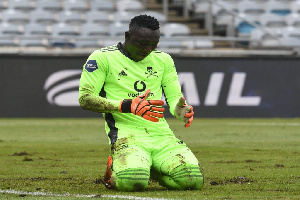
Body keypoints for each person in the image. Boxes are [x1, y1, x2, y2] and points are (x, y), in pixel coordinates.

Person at [78, 15, 203, 192]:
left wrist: (182, 110)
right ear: (127, 36)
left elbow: (175, 98)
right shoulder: (102, 58)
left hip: (162, 135)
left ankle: (149, 167)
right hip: (126, 136)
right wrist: (127, 105)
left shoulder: (164, 60)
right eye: (142, 43)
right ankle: (117, 166)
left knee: (192, 181)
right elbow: (85, 98)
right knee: (132, 182)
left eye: (154, 44)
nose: (148, 49)